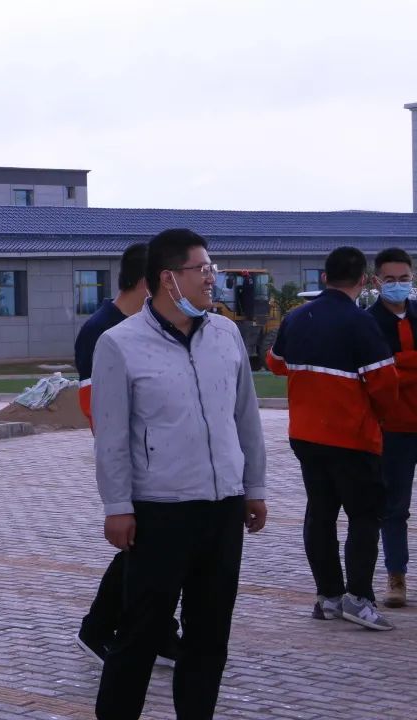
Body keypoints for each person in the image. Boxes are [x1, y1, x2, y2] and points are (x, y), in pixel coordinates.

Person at [91, 228, 267, 719]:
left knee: (210, 635)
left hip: (223, 508)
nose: (212, 279)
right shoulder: (120, 344)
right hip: (160, 512)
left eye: (212, 269)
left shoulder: (226, 334)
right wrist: (117, 506)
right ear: (168, 279)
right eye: (202, 269)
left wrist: (254, 487)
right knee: (140, 635)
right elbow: (111, 435)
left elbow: (245, 417)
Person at [268, 246, 399, 630]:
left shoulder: (295, 317)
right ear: (364, 280)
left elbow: (275, 364)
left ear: (324, 277)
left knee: (320, 514)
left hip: (306, 436)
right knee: (364, 516)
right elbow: (385, 386)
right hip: (352, 437)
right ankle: (358, 599)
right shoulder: (361, 323)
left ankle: (328, 597)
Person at [73, 243, 179, 668]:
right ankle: (98, 629)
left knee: (162, 551)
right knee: (143, 549)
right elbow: (99, 411)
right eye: (169, 279)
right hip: (135, 463)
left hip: (165, 461)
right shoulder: (103, 331)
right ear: (146, 282)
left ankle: (158, 631)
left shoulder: (153, 326)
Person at [368, 247, 417, 608]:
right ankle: (396, 576)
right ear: (376, 281)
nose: (397, 285)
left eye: (404, 279)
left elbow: (391, 368)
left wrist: (399, 363)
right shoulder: (367, 323)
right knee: (394, 507)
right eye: (390, 279)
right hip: (393, 428)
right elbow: (377, 373)